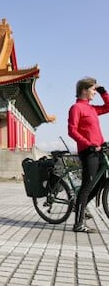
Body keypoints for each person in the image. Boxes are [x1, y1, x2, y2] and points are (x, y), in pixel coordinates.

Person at [68, 77, 109, 233]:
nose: (94, 92)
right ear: (84, 90)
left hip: (98, 150)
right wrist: (88, 143)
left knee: (99, 184)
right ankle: (78, 224)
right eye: (92, 89)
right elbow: (72, 130)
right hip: (88, 152)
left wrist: (102, 91)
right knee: (86, 187)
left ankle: (80, 206)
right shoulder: (76, 108)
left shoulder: (91, 109)